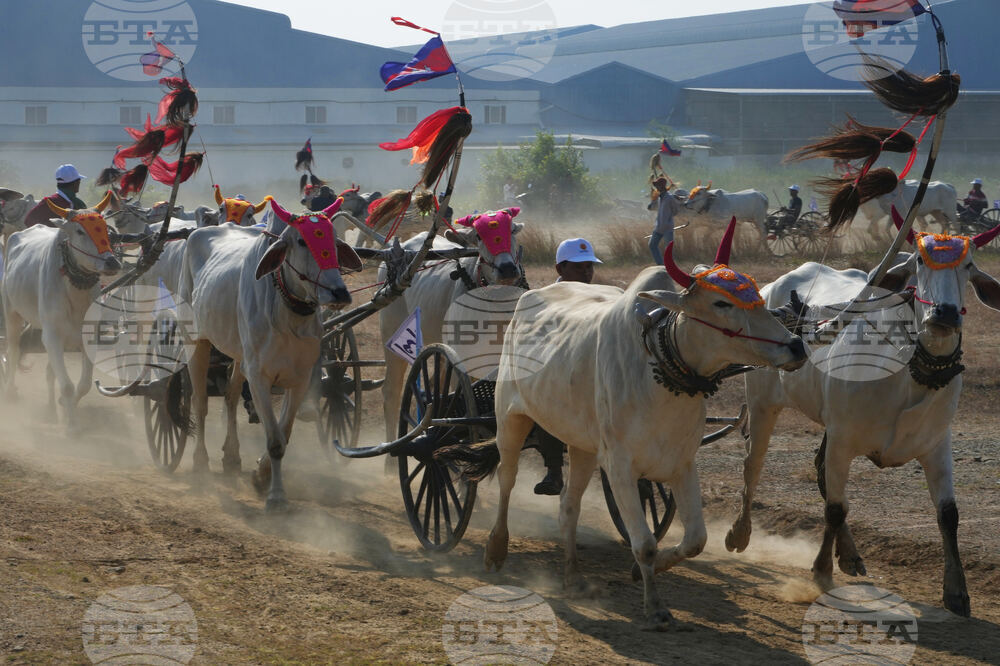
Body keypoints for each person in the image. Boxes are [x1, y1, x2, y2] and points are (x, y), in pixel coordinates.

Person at [531, 237, 603, 495]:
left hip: (589, 374)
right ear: (560, 269)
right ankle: (553, 471)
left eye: (589, 267)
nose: (586, 273)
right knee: (547, 399)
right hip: (554, 376)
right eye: (578, 267)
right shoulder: (544, 300)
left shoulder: (601, 298)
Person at [23, 164, 87, 228]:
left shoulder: (48, 202)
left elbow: (28, 221)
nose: (79, 183)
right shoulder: (79, 204)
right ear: (75, 183)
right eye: (79, 181)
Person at [647, 176, 679, 264]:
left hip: (667, 228)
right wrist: (652, 200)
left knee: (668, 250)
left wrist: (668, 218)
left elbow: (676, 211)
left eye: (658, 185)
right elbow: (650, 208)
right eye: (656, 186)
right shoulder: (658, 198)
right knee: (652, 245)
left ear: (662, 186)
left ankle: (670, 267)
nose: (656, 187)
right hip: (658, 227)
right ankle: (661, 265)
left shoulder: (670, 198)